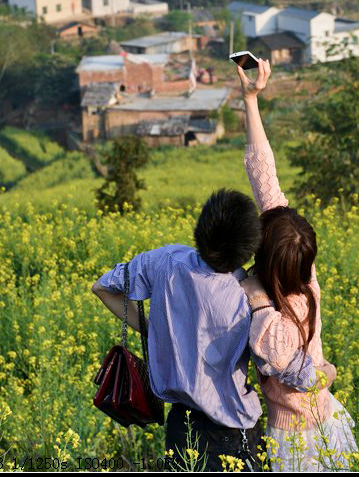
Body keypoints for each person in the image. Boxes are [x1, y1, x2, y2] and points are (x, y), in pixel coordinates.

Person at [92, 184, 335, 472]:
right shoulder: (249, 296)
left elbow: (103, 287)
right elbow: (282, 364)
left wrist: (155, 330)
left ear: (202, 227)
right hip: (233, 432)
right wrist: (324, 374)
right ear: (249, 249)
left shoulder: (166, 260)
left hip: (180, 428)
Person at [235, 58, 359, 472]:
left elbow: (310, 377)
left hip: (298, 442)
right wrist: (251, 101)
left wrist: (330, 371)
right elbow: (264, 175)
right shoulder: (305, 275)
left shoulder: (272, 324)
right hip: (324, 419)